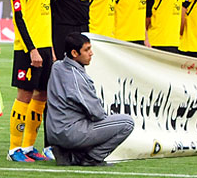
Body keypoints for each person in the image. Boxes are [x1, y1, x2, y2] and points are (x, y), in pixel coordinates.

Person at [45, 33, 135, 166]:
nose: (91, 53)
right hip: (70, 132)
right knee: (127, 123)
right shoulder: (76, 77)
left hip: (53, 133)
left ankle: (69, 153)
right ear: (74, 53)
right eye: (86, 50)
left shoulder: (57, 66)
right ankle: (91, 158)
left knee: (89, 122)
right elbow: (97, 113)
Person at [8, 0, 55, 163]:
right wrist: (32, 49)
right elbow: (19, 17)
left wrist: (50, 49)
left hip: (46, 48)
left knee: (42, 96)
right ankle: (14, 148)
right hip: (29, 49)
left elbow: (45, 18)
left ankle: (28, 146)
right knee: (24, 95)